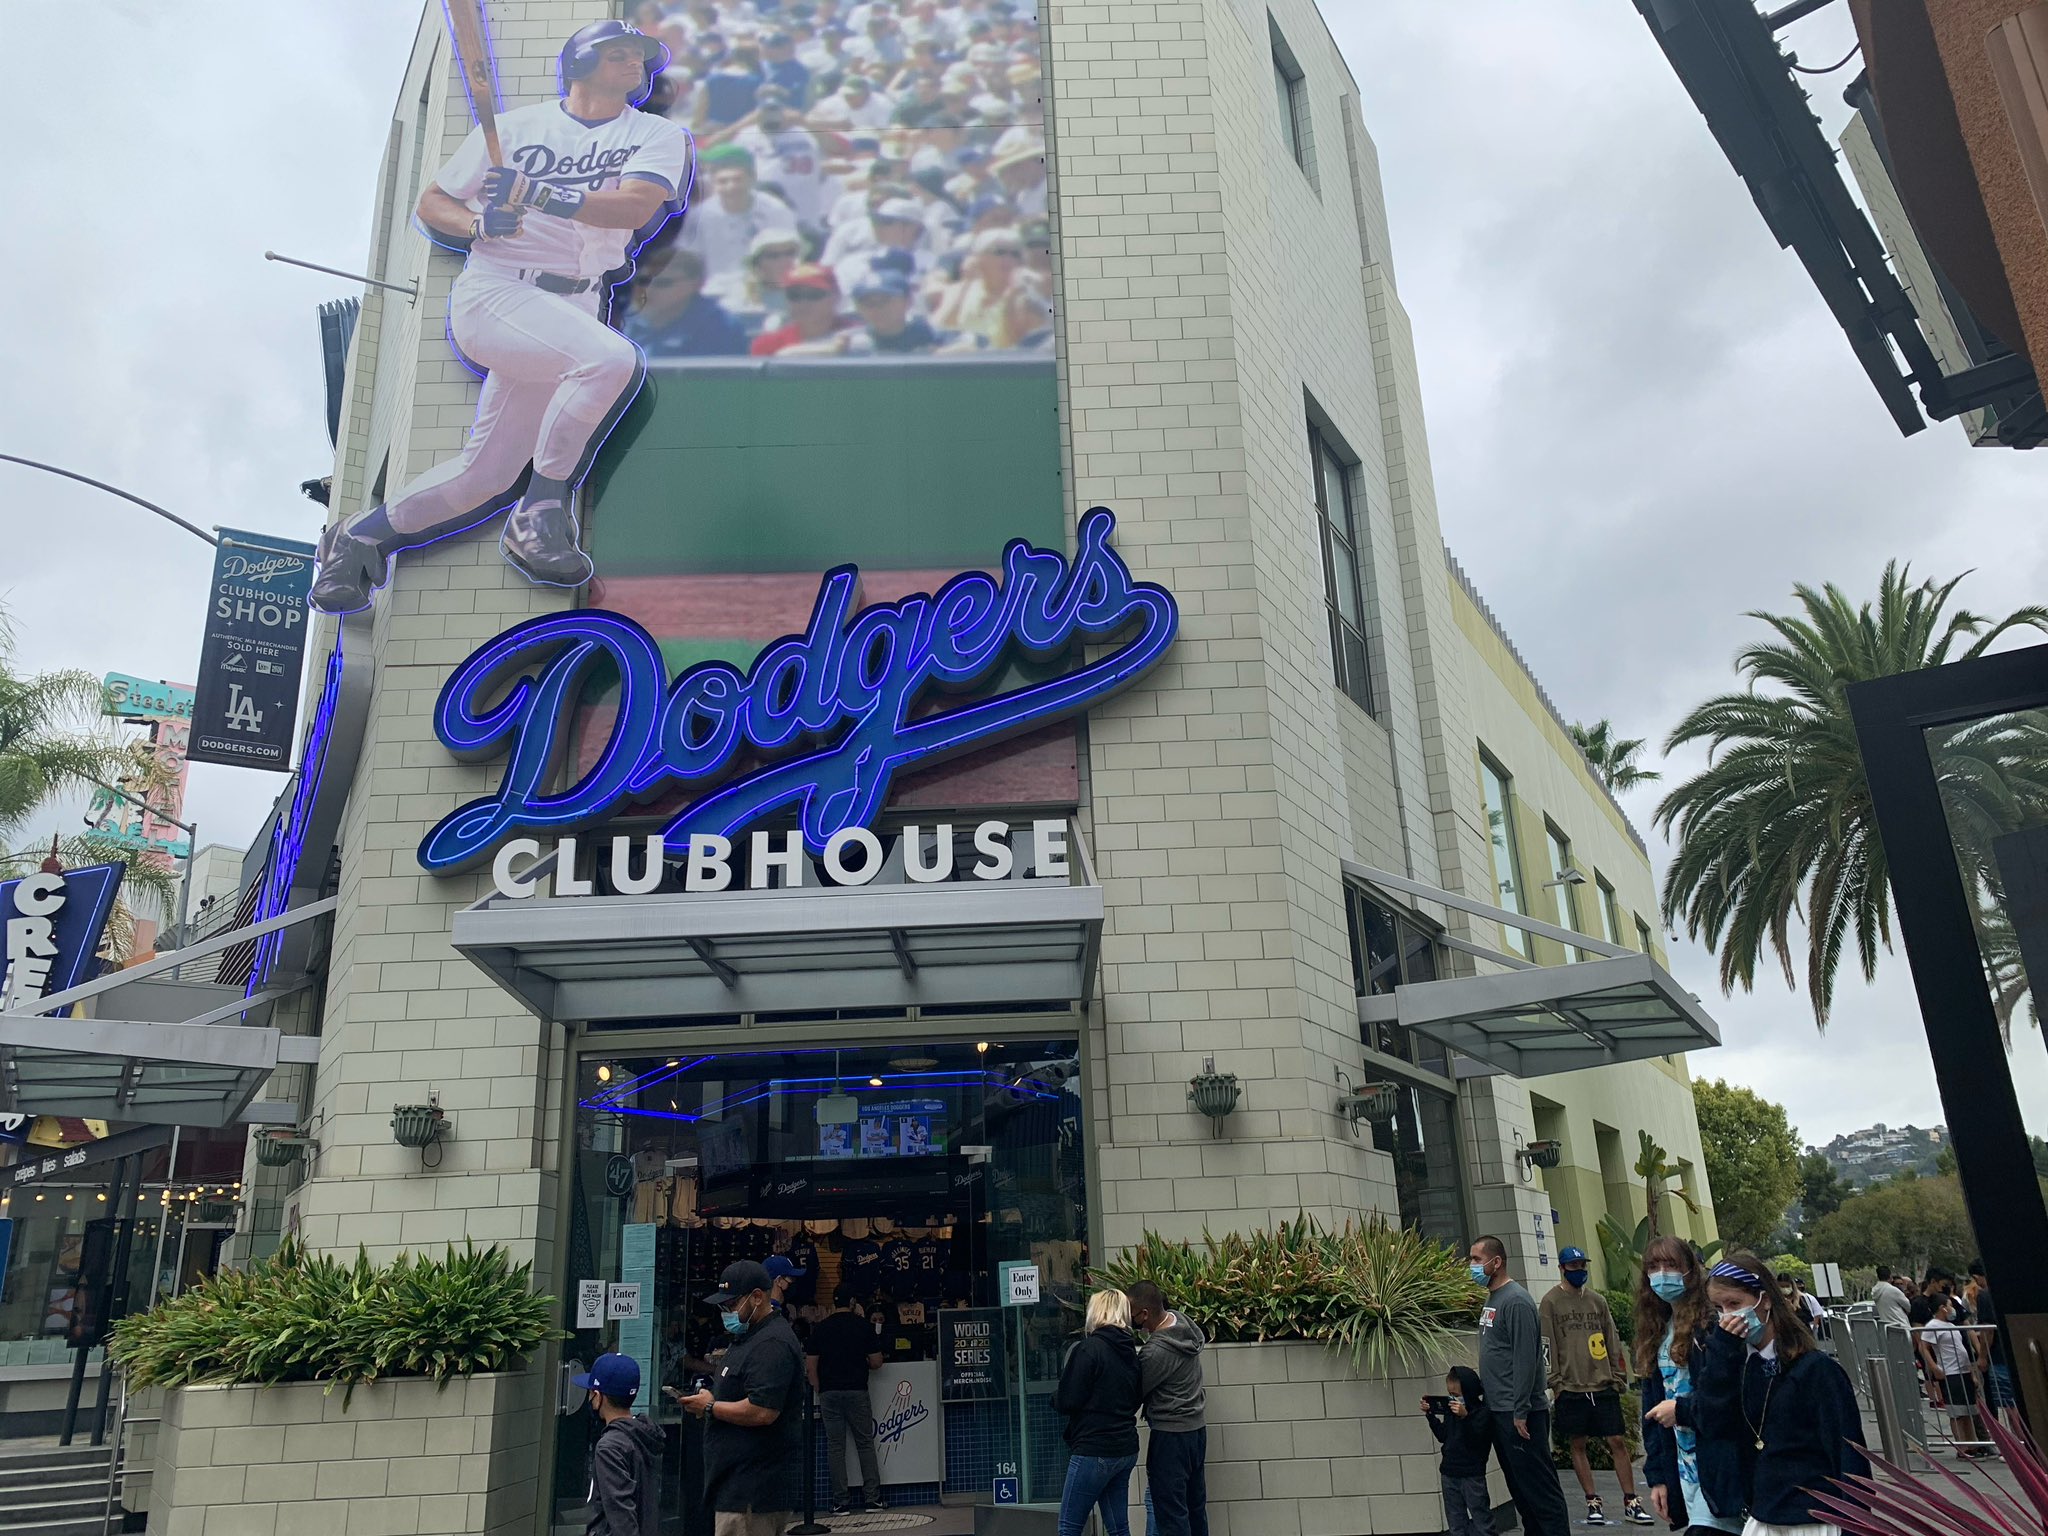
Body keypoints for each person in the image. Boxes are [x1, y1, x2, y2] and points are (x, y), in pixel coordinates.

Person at [310, 21, 692, 613]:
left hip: (575, 302)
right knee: (610, 361)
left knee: (483, 477)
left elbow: (636, 204)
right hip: (497, 292)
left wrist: (539, 195)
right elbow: (434, 203)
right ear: (582, 63)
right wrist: (482, 224)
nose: (634, 65)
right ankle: (541, 509)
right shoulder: (516, 129)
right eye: (618, 55)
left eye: (638, 58)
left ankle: (362, 538)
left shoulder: (655, 134)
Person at [1693, 1254, 1868, 1536]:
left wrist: (1856, 1527)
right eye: (1719, 1308)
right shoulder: (1736, 1366)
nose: (1727, 1316)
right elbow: (1711, 1422)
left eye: (1735, 1304)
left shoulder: (1816, 1370)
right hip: (1763, 1517)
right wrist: (1721, 1355)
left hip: (1815, 1519)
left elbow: (1849, 1456)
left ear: (1765, 1300)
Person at [678, 1260, 807, 1536]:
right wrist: (715, 1399)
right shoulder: (750, 1337)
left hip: (753, 1490)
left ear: (758, 1297)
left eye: (732, 1304)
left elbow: (763, 1411)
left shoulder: (772, 1343)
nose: (727, 1312)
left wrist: (711, 1406)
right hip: (734, 1485)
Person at [1636, 1237, 1746, 1536]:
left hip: (1718, 1464)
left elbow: (1727, 1395)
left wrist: (1682, 1410)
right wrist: (1658, 1477)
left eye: (1671, 1265)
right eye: (1654, 1267)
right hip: (1683, 1468)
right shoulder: (1656, 1329)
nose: (1662, 1274)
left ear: (1690, 1271)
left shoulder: (1709, 1324)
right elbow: (1651, 1408)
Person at [1542, 1245, 1652, 1526]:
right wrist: (1555, 1382)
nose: (1579, 1271)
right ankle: (1593, 1501)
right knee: (1577, 1443)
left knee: (1616, 1440)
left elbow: (1611, 1337)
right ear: (1562, 1268)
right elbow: (1546, 1343)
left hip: (1602, 1383)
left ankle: (1631, 1501)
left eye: (1582, 1266)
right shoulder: (1551, 1301)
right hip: (1571, 1385)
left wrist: (1617, 1376)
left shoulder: (1597, 1301)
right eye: (1574, 1266)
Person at [1470, 1236, 1569, 1536]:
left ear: (1496, 1262)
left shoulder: (1516, 1301)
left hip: (1520, 1414)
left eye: (1476, 1259)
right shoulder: (1493, 1298)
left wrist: (1521, 1410)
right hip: (1500, 1410)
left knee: (1540, 1491)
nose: (1471, 1266)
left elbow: (1526, 1360)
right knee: (1521, 1490)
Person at [1054, 1288, 1141, 1536]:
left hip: (1093, 1448)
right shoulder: (1130, 1353)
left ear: (1095, 1312)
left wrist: (1054, 1399)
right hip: (1125, 1448)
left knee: (1069, 1527)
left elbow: (1068, 1399)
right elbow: (1136, 1397)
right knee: (1118, 1527)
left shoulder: (1089, 1349)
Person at [1127, 1280, 1207, 1536]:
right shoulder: (1182, 1324)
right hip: (1196, 1430)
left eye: (1133, 1318)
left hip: (1170, 1436)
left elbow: (1134, 1394)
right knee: (1195, 1508)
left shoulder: (1156, 1352)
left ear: (1145, 1314)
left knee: (1171, 1514)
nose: (1133, 1323)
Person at [807, 1289, 884, 1513]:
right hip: (857, 1390)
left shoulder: (821, 1328)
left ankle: (841, 1502)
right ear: (852, 1302)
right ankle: (872, 1499)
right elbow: (877, 1361)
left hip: (829, 1393)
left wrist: (819, 1388)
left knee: (836, 1447)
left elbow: (811, 1366)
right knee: (865, 1444)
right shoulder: (863, 1326)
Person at [574, 1353, 663, 1536]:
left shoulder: (610, 1447)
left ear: (598, 1396)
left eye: (591, 1392)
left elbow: (620, 1513)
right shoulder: (644, 1435)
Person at [622, 245, 751, 357]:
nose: (647, 291)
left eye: (663, 283)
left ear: (696, 284)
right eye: (641, 282)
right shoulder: (621, 323)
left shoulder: (722, 329)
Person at [1422, 1365, 1496, 1536]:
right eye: (1450, 1395)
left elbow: (1477, 1440)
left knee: (1481, 1521)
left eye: (1456, 1395)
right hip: (1450, 1471)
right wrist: (1430, 1415)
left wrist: (1465, 1417)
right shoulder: (1450, 1412)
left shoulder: (1481, 1413)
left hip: (1471, 1474)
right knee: (1456, 1523)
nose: (1453, 1399)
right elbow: (1443, 1436)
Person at [1921, 1289, 1990, 1458]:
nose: (1952, 1309)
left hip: (1963, 1370)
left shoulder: (1951, 1325)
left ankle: (1973, 1444)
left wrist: (1971, 1373)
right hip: (1950, 1372)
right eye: (1950, 1306)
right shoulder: (1932, 1326)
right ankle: (1962, 1447)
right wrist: (1935, 1367)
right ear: (1942, 1308)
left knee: (1968, 1410)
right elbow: (1924, 1347)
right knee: (1956, 1412)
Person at [1967, 1259, 2015, 1409]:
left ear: (1976, 1277)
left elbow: (1987, 1330)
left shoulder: (1985, 1296)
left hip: (1998, 1357)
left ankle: (2016, 1432)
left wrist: (1982, 1356)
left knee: (2008, 1404)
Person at [1869, 1267, 1910, 1336]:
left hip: (1887, 1327)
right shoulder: (1893, 1290)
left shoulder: (1876, 1291)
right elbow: (1908, 1306)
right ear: (1890, 1277)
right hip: (1901, 1326)